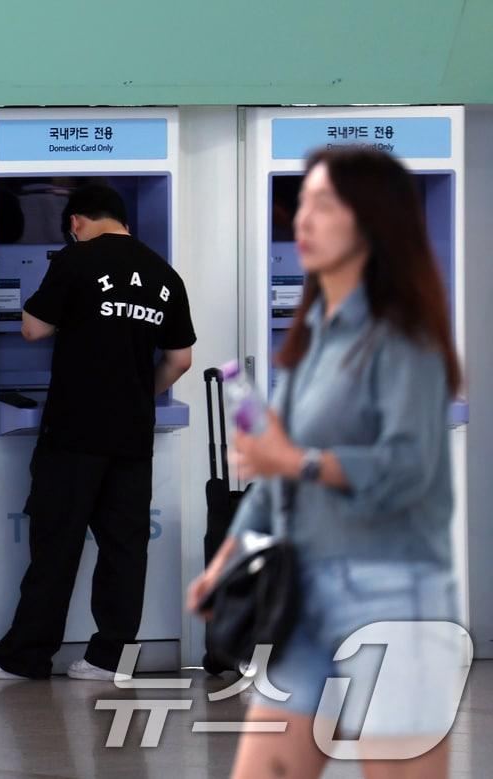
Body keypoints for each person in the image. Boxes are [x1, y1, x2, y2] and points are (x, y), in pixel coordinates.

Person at [188, 148, 464, 778]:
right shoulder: (314, 335)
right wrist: (224, 562)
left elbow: (407, 468)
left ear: (372, 222)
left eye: (325, 206)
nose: (303, 222)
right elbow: (274, 473)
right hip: (303, 591)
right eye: (302, 204)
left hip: (393, 594)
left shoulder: (405, 338)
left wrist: (298, 459)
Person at [0, 184, 195, 682]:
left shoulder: (77, 259)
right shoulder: (164, 275)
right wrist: (138, 393)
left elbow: (31, 329)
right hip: (132, 433)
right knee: (125, 548)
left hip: (75, 428)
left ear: (75, 223)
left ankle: (25, 656)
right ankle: (111, 659)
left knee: (57, 543)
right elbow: (181, 359)